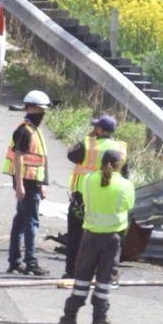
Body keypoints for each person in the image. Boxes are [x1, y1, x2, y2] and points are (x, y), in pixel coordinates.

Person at [61, 147, 134, 324]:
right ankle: (99, 317)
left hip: (90, 236)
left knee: (82, 277)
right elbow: (129, 205)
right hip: (112, 238)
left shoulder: (88, 180)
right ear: (119, 166)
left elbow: (86, 198)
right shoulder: (125, 185)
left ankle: (70, 315)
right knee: (103, 280)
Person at [63, 114, 128, 276]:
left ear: (99, 129)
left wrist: (88, 137)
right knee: (103, 237)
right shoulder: (121, 149)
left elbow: (71, 155)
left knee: (75, 237)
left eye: (96, 127)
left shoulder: (88, 144)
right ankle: (100, 273)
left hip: (83, 198)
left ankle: (72, 272)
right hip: (109, 199)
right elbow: (126, 174)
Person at [4, 90, 51, 276]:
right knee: (31, 223)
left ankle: (15, 262)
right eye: (39, 109)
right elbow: (19, 157)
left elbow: (40, 159)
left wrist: (43, 184)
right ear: (30, 108)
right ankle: (30, 262)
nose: (42, 113)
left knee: (21, 222)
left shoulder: (33, 130)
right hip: (27, 182)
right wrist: (20, 184)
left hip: (33, 182)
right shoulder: (24, 130)